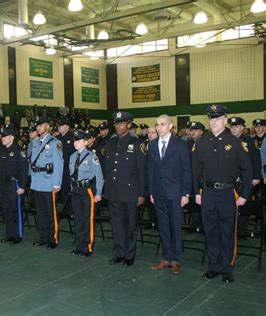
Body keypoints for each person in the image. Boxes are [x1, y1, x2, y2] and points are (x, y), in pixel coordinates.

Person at [192, 104, 252, 283]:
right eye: (211, 118)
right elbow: (196, 170)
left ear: (225, 119)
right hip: (208, 193)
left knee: (227, 232)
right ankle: (214, 266)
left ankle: (227, 268)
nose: (214, 122)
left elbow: (247, 170)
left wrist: (244, 195)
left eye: (218, 118)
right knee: (210, 231)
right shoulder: (201, 142)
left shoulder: (235, 142)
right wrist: (196, 192)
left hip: (227, 193)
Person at [148, 115, 191, 275]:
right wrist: (151, 191)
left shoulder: (180, 145)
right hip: (158, 192)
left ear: (170, 126)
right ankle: (166, 257)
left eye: (163, 125)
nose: (159, 128)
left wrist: (186, 193)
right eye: (157, 125)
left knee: (175, 226)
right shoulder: (152, 145)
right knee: (163, 226)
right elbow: (151, 170)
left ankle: (175, 260)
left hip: (175, 193)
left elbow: (186, 170)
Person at [104, 111, 146, 266]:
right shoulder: (110, 143)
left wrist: (141, 194)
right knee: (116, 224)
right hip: (114, 190)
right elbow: (108, 169)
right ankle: (120, 252)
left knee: (130, 224)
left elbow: (142, 171)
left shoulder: (137, 143)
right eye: (116, 123)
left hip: (130, 191)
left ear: (129, 124)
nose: (118, 126)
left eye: (122, 123)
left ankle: (130, 254)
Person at [29, 117, 63, 249]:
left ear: (47, 126)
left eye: (41, 125)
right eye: (37, 125)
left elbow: (59, 164)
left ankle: (53, 239)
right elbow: (32, 163)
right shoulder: (35, 142)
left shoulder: (55, 143)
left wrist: (56, 184)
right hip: (37, 182)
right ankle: (43, 237)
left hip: (49, 183)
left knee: (51, 213)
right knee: (41, 212)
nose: (38, 128)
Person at [69, 130, 104, 257]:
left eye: (78, 140)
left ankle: (88, 246)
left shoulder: (92, 156)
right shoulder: (72, 156)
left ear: (85, 142)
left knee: (87, 219)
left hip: (87, 190)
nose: (75, 143)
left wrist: (98, 193)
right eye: (74, 140)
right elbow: (71, 175)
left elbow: (99, 176)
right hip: (75, 191)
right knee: (78, 219)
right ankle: (79, 245)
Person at [227, 117, 262, 239]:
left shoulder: (248, 141)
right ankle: (232, 230)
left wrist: (256, 176)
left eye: (236, 126)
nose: (234, 129)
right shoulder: (227, 141)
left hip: (245, 179)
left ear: (242, 127)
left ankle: (242, 231)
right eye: (232, 126)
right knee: (230, 205)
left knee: (243, 204)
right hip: (230, 180)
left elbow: (256, 159)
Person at [0, 124, 29, 244]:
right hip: (3, 184)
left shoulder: (19, 152)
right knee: (6, 210)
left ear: (11, 137)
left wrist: (22, 186)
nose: (2, 138)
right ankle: (9, 234)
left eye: (5, 136)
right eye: (2, 136)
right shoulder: (0, 150)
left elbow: (24, 171)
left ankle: (17, 235)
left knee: (15, 210)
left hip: (13, 184)